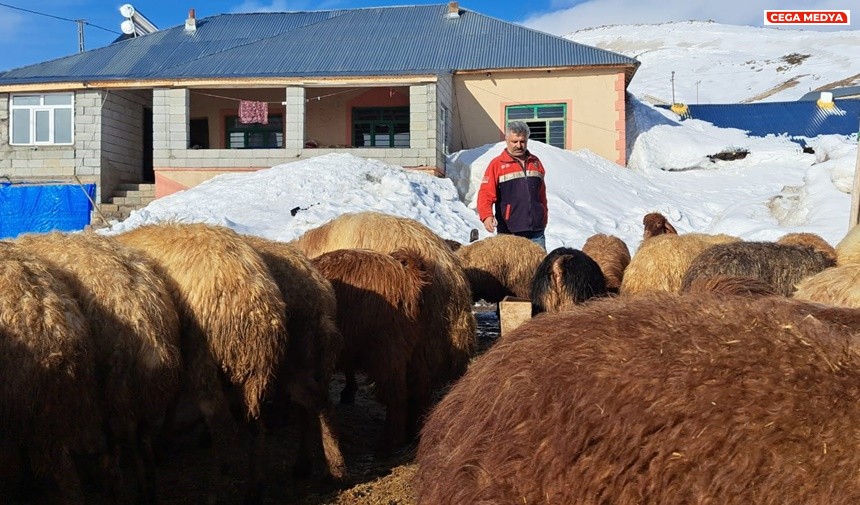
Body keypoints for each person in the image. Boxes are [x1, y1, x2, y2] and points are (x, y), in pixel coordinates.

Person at [476, 121, 548, 250]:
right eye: (514, 142)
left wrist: (544, 215)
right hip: (509, 231)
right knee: (509, 269)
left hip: (536, 232)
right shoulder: (497, 164)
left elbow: (541, 194)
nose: (519, 145)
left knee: (538, 268)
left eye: (522, 141)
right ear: (507, 140)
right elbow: (486, 193)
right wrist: (486, 216)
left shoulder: (536, 162)